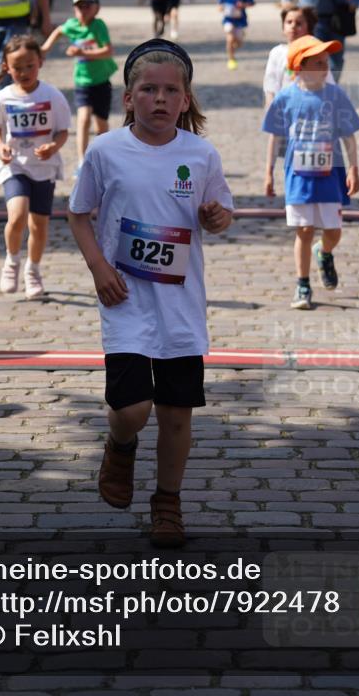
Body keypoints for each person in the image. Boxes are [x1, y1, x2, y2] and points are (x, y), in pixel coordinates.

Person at [68, 39, 233, 548]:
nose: (160, 99)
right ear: (128, 98)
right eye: (149, 90)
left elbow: (221, 213)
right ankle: (120, 444)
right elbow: (78, 213)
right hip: (125, 299)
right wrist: (98, 267)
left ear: (186, 100)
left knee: (177, 416)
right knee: (134, 408)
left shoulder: (201, 154)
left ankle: (168, 501)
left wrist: (216, 216)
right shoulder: (105, 150)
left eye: (171, 91)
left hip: (181, 305)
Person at [263, 36, 359, 310]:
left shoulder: (336, 95)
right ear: (299, 66)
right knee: (304, 230)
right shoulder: (286, 98)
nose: (325, 66)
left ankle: (325, 251)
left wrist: (353, 169)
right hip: (298, 175)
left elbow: (349, 136)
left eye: (326, 61)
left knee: (333, 230)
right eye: (318, 62)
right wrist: (269, 172)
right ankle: (303, 284)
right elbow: (274, 136)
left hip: (331, 174)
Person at [0, 35, 71, 299]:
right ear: (6, 68)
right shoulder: (2, 98)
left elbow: (63, 131)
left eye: (29, 66)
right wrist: (0, 147)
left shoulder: (52, 96)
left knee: (39, 226)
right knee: (18, 215)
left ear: (40, 63)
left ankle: (33, 270)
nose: (23, 72)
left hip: (43, 169)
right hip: (14, 166)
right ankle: (12, 261)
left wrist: (53, 147)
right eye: (17, 67)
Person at [41, 0, 117, 173]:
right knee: (83, 119)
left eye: (87, 6)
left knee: (101, 124)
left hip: (101, 81)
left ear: (96, 8)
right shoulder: (72, 25)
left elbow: (108, 51)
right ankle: (83, 161)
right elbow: (59, 30)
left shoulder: (99, 26)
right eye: (79, 7)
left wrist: (82, 52)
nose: (83, 10)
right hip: (82, 81)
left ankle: (104, 156)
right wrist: (45, 48)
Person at [263, 5, 336, 108]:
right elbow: (271, 85)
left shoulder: (316, 52)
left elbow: (329, 84)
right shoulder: (277, 53)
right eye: (289, 22)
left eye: (299, 23)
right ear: (283, 27)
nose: (293, 26)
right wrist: (270, 110)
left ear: (309, 28)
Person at [218, 0, 254, 71]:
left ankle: (235, 45)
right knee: (229, 37)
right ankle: (231, 59)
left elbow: (252, 3)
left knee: (238, 42)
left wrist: (243, 5)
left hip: (240, 21)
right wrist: (221, 8)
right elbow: (220, 5)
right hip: (228, 20)